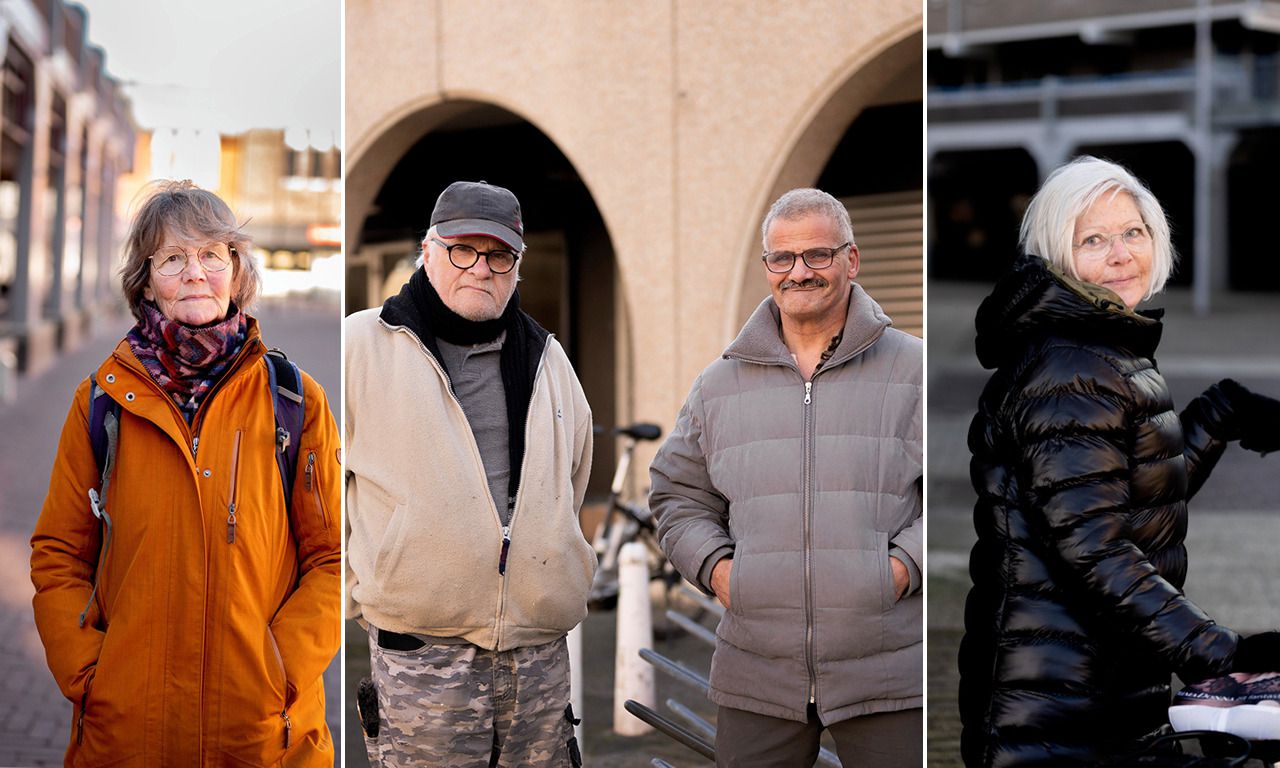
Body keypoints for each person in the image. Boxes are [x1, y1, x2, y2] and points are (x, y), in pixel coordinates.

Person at [958, 156, 1280, 766]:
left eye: (1133, 232)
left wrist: (1224, 415)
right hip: (1058, 718)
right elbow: (1096, 550)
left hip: (1098, 695)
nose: (1121, 253)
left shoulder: (1098, 349)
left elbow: (1129, 494)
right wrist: (1225, 655)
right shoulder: (1071, 366)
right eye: (1093, 240)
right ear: (1058, 257)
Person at [30, 180, 341, 766]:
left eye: (210, 255)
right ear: (146, 279)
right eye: (173, 258)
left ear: (236, 270)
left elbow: (333, 557)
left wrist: (281, 670)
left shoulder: (295, 402)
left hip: (260, 736)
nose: (195, 273)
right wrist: (93, 676)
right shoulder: (101, 401)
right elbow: (59, 554)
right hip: (128, 737)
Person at [651, 187, 923, 766]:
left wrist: (899, 571)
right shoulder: (717, 385)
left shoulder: (914, 370)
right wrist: (722, 573)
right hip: (758, 672)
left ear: (851, 260)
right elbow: (676, 494)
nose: (799, 272)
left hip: (889, 668)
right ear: (767, 267)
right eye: (783, 258)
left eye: (817, 256)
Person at [344, 180, 593, 767]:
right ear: (428, 251)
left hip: (537, 657)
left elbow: (574, 478)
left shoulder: (548, 357)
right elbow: (320, 489)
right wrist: (363, 591)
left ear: (517, 266)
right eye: (463, 250)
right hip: (422, 660)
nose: (481, 268)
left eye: (499, 254)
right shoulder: (362, 344)